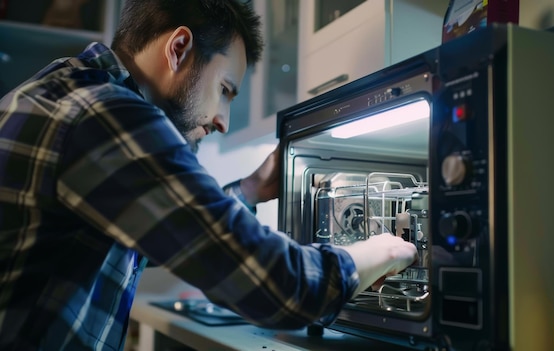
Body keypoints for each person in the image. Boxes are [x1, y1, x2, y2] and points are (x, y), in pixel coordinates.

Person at [0, 0, 418, 349]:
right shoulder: (104, 112)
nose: (223, 121)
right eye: (225, 89)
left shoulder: (68, 90)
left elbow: (167, 228)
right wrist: (386, 250)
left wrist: (251, 189)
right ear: (179, 48)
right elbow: (282, 288)